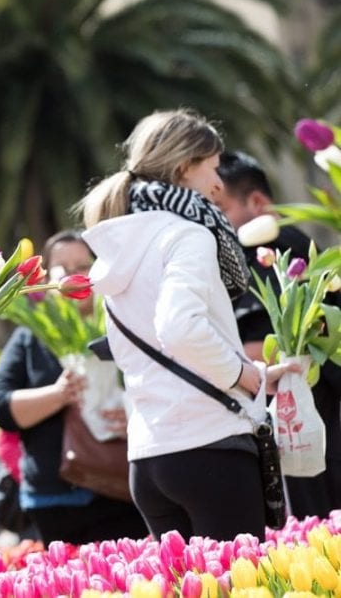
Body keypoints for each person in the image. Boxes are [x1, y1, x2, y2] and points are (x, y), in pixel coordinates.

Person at [77, 109, 297, 540]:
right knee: (239, 576)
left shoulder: (119, 246)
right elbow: (179, 329)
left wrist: (251, 375)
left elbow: (137, 350)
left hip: (149, 458)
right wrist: (241, 375)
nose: (219, 184)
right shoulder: (187, 234)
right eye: (212, 167)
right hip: (210, 447)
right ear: (183, 168)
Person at [0, 231, 148, 545]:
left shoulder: (126, 328)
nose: (74, 275)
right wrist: (59, 394)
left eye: (83, 266)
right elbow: (1, 407)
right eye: (62, 267)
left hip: (121, 489)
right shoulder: (30, 336)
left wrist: (137, 417)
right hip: (54, 500)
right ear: (46, 275)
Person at [215, 150, 341, 518]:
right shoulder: (298, 245)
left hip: (305, 424)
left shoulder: (264, 253)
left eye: (220, 209)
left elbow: (265, 349)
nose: (212, 223)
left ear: (257, 202)